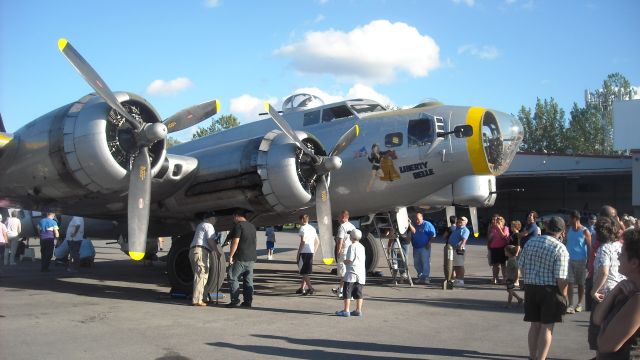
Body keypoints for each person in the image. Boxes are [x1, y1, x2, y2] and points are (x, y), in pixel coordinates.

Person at [518, 216, 570, 360]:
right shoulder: (560, 248)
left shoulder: (531, 242)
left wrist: (529, 279)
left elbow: (521, 266)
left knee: (534, 325)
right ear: (562, 231)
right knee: (547, 327)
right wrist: (564, 295)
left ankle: (532, 356)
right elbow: (561, 278)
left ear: (546, 227)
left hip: (531, 287)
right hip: (550, 290)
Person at [592, 227, 640, 359]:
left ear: (634, 263)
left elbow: (604, 345)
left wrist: (602, 331)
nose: (618, 256)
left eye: (622, 254)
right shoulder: (627, 289)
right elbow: (597, 318)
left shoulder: (637, 300)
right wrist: (614, 292)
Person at [226, 209, 257, 308]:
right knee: (248, 280)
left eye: (233, 217)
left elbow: (235, 242)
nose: (233, 219)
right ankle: (248, 301)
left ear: (236, 216)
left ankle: (235, 300)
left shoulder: (239, 226)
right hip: (251, 258)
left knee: (232, 277)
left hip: (241, 257)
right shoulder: (252, 226)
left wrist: (230, 256)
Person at [565, 210, 592, 314]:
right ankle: (570, 305)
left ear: (575, 218)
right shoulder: (568, 230)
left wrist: (590, 263)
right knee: (570, 282)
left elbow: (589, 247)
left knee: (581, 284)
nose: (568, 220)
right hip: (569, 260)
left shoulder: (585, 231)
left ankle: (579, 304)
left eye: (570, 218)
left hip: (581, 260)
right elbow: (565, 243)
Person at [336, 229, 366, 317]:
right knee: (359, 292)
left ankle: (346, 310)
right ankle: (358, 310)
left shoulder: (352, 246)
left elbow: (349, 260)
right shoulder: (362, 246)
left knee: (347, 292)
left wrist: (344, 261)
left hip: (351, 273)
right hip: (361, 273)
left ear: (351, 237)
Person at [189, 214, 217, 307]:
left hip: (194, 251)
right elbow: (210, 240)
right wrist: (217, 252)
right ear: (211, 218)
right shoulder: (209, 225)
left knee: (200, 275)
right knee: (201, 275)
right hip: (201, 251)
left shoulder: (200, 225)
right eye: (215, 218)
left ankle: (203, 297)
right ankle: (197, 300)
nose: (216, 220)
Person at [332, 210, 356, 298]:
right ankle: (341, 290)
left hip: (344, 252)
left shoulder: (342, 227)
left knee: (343, 273)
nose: (338, 218)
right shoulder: (352, 226)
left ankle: (344, 292)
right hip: (351, 252)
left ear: (343, 217)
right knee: (348, 272)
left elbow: (340, 241)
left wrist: (338, 252)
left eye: (339, 216)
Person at [408, 212, 436, 284]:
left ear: (422, 217)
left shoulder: (427, 224)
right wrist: (409, 223)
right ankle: (420, 276)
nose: (417, 221)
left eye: (418, 219)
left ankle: (426, 277)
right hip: (416, 247)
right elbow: (413, 231)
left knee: (425, 263)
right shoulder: (415, 224)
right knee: (416, 263)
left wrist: (429, 243)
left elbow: (433, 235)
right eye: (416, 219)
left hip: (424, 247)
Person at [296, 215, 319, 295]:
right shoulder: (312, 228)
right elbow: (317, 242)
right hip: (310, 251)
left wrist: (298, 253)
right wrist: (314, 252)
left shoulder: (302, 228)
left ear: (302, 220)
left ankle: (310, 288)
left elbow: (303, 242)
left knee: (303, 272)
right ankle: (302, 288)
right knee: (305, 271)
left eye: (300, 220)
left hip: (304, 252)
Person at [448, 216, 470, 286]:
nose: (460, 221)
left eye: (462, 220)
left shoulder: (465, 230)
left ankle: (460, 280)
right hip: (452, 249)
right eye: (459, 220)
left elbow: (464, 239)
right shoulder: (456, 228)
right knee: (453, 265)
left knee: (459, 265)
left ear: (465, 222)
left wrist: (462, 245)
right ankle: (453, 279)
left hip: (458, 249)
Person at [488, 215, 510, 284]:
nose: (496, 223)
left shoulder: (505, 228)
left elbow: (503, 236)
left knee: (503, 264)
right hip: (494, 248)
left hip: (502, 248)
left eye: (498, 222)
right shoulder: (492, 228)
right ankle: (495, 278)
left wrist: (499, 228)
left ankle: (504, 278)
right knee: (495, 264)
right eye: (496, 222)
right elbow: (489, 239)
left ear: (502, 222)